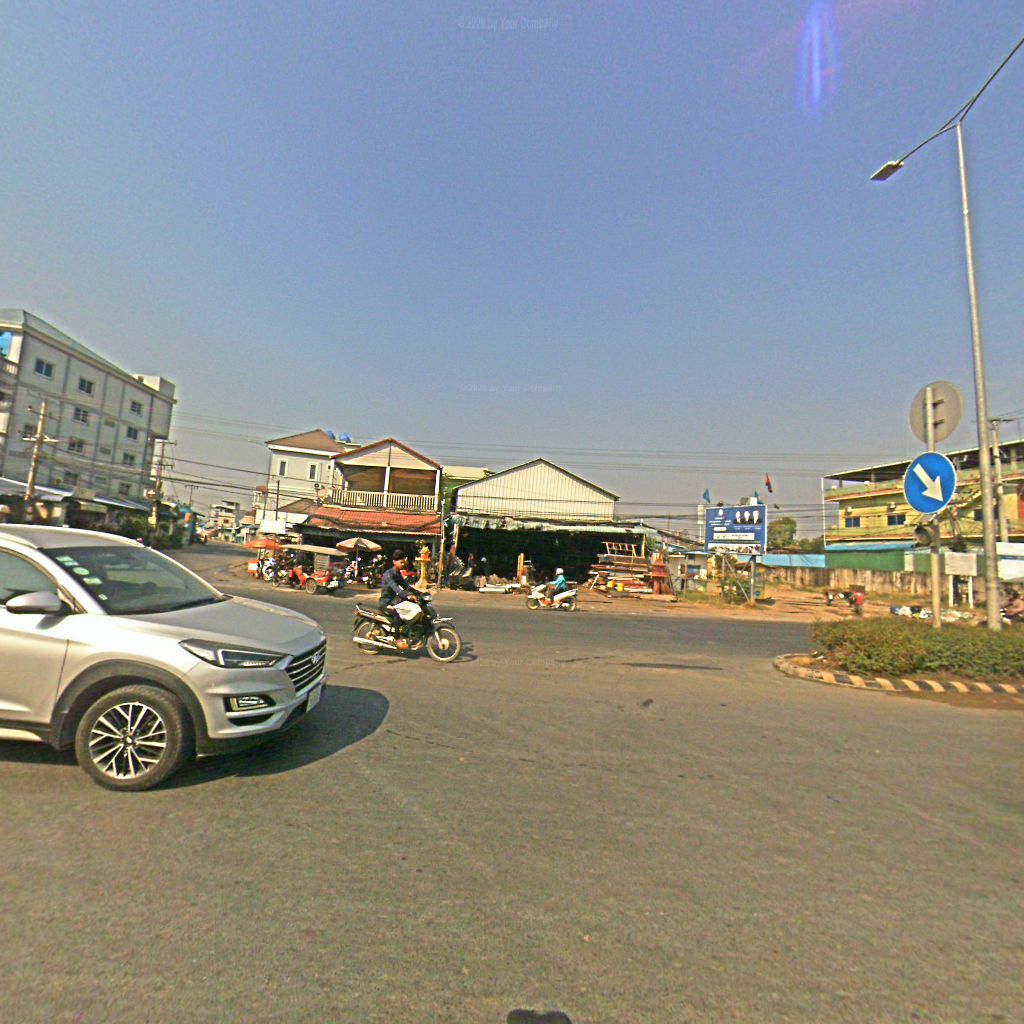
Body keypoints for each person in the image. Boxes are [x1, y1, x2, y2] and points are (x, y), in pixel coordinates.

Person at [379, 550, 420, 646]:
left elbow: (406, 586)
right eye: (401, 562)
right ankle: (397, 638)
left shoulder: (398, 574)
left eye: (403, 562)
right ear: (394, 562)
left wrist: (419, 593)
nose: (403, 564)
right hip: (386, 602)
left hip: (394, 600)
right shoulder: (388, 574)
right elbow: (397, 589)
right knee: (396, 613)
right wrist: (408, 596)